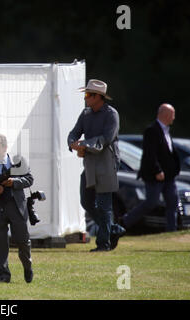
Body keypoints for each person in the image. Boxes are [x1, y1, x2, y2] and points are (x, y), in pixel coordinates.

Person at [68, 79, 126, 252]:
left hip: (107, 163)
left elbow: (106, 139)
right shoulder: (85, 114)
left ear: (98, 97)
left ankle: (103, 244)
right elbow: (74, 133)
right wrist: (72, 143)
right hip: (91, 164)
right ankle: (113, 229)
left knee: (104, 204)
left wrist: (83, 144)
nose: (85, 98)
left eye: (88, 95)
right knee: (86, 200)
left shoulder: (111, 114)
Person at [0, 134, 34, 283]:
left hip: (17, 207)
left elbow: (29, 179)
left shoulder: (18, 162)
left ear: (5, 147)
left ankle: (27, 266)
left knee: (23, 241)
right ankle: (3, 275)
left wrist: (14, 182)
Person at [121, 104, 180, 232]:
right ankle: (125, 221)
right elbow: (150, 153)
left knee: (172, 201)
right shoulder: (152, 130)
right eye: (172, 114)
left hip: (169, 176)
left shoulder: (167, 131)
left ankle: (171, 231)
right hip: (155, 175)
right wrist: (157, 170)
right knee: (151, 202)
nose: (174, 118)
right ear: (165, 114)